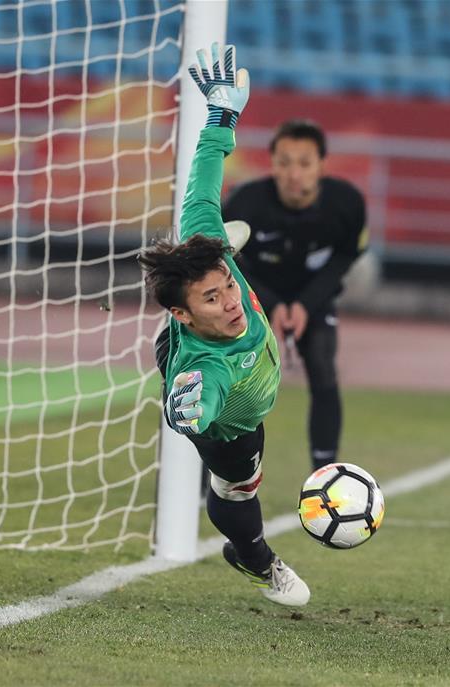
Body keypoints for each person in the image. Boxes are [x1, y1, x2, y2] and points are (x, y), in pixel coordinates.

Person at [139, 43, 309, 606]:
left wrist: (221, 114)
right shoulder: (207, 367)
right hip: (227, 420)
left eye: (227, 287)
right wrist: (189, 411)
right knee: (237, 491)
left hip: (195, 336)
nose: (232, 301)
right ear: (184, 311)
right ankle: (255, 557)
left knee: (207, 230)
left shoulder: (209, 249)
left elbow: (203, 177)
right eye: (213, 297)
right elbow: (202, 398)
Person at [222, 119, 367, 472]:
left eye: (304, 163)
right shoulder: (246, 203)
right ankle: (214, 473)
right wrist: (269, 304)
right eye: (284, 162)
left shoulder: (347, 204)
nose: (293, 173)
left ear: (322, 165)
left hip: (313, 298)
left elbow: (346, 255)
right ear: (271, 164)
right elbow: (227, 260)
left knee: (322, 365)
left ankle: (326, 474)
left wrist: (305, 304)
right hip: (251, 298)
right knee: (231, 379)